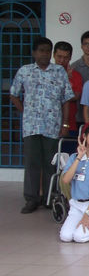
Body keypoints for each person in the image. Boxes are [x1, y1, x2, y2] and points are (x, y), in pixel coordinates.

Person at [10, 37, 74, 214]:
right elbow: (14, 94)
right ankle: (31, 199)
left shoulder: (59, 71)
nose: (44, 54)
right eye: (41, 50)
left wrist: (65, 123)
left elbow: (66, 99)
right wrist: (25, 112)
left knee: (50, 163)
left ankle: (49, 197)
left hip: (52, 126)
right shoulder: (25, 71)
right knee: (32, 163)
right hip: (31, 126)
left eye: (47, 50)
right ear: (34, 53)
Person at [53, 41, 84, 131]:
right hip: (49, 123)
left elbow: (76, 96)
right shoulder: (47, 74)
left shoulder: (76, 75)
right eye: (59, 56)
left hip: (70, 123)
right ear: (53, 55)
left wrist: (54, 94)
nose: (62, 60)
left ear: (70, 57)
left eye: (65, 57)